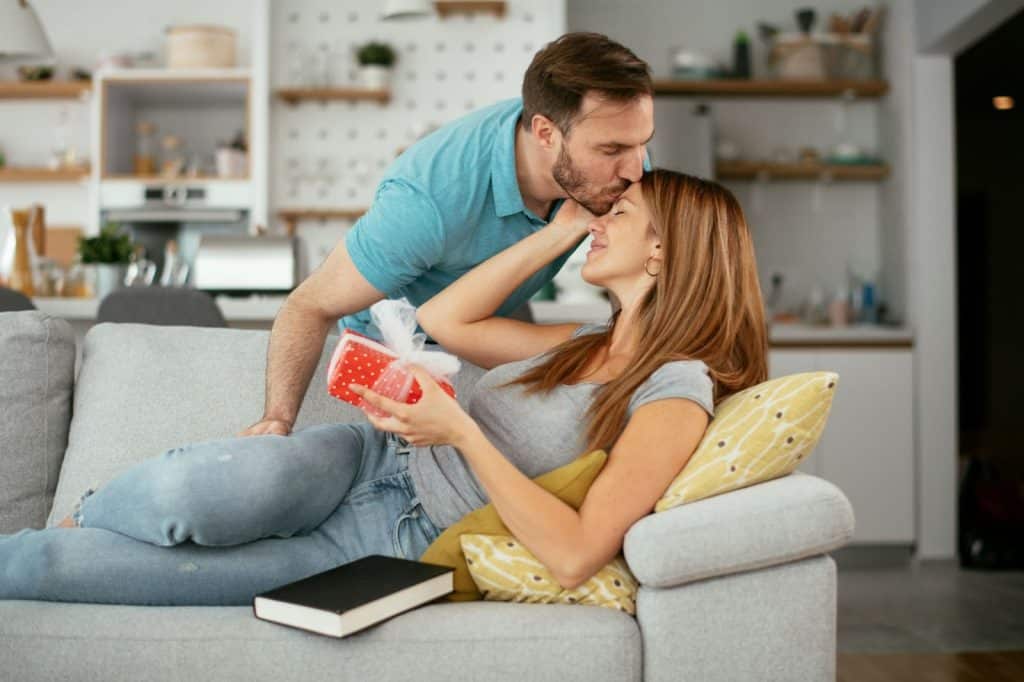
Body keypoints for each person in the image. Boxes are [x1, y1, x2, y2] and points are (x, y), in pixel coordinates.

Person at [0, 169, 768, 605]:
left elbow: (574, 555)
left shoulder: (674, 389)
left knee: (52, 572)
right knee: (181, 497)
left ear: (663, 254)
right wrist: (559, 231)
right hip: (370, 459)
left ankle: (41, 550)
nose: (600, 220)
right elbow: (443, 317)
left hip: (398, 540)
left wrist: (459, 430)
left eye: (618, 213)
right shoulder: (581, 343)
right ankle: (87, 511)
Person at [241, 31, 654, 439]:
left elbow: (640, 282)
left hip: (486, 324)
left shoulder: (619, 162)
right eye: (612, 150)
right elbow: (309, 305)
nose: (637, 170)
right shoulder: (429, 200)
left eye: (641, 144)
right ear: (546, 133)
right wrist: (278, 419)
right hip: (395, 351)